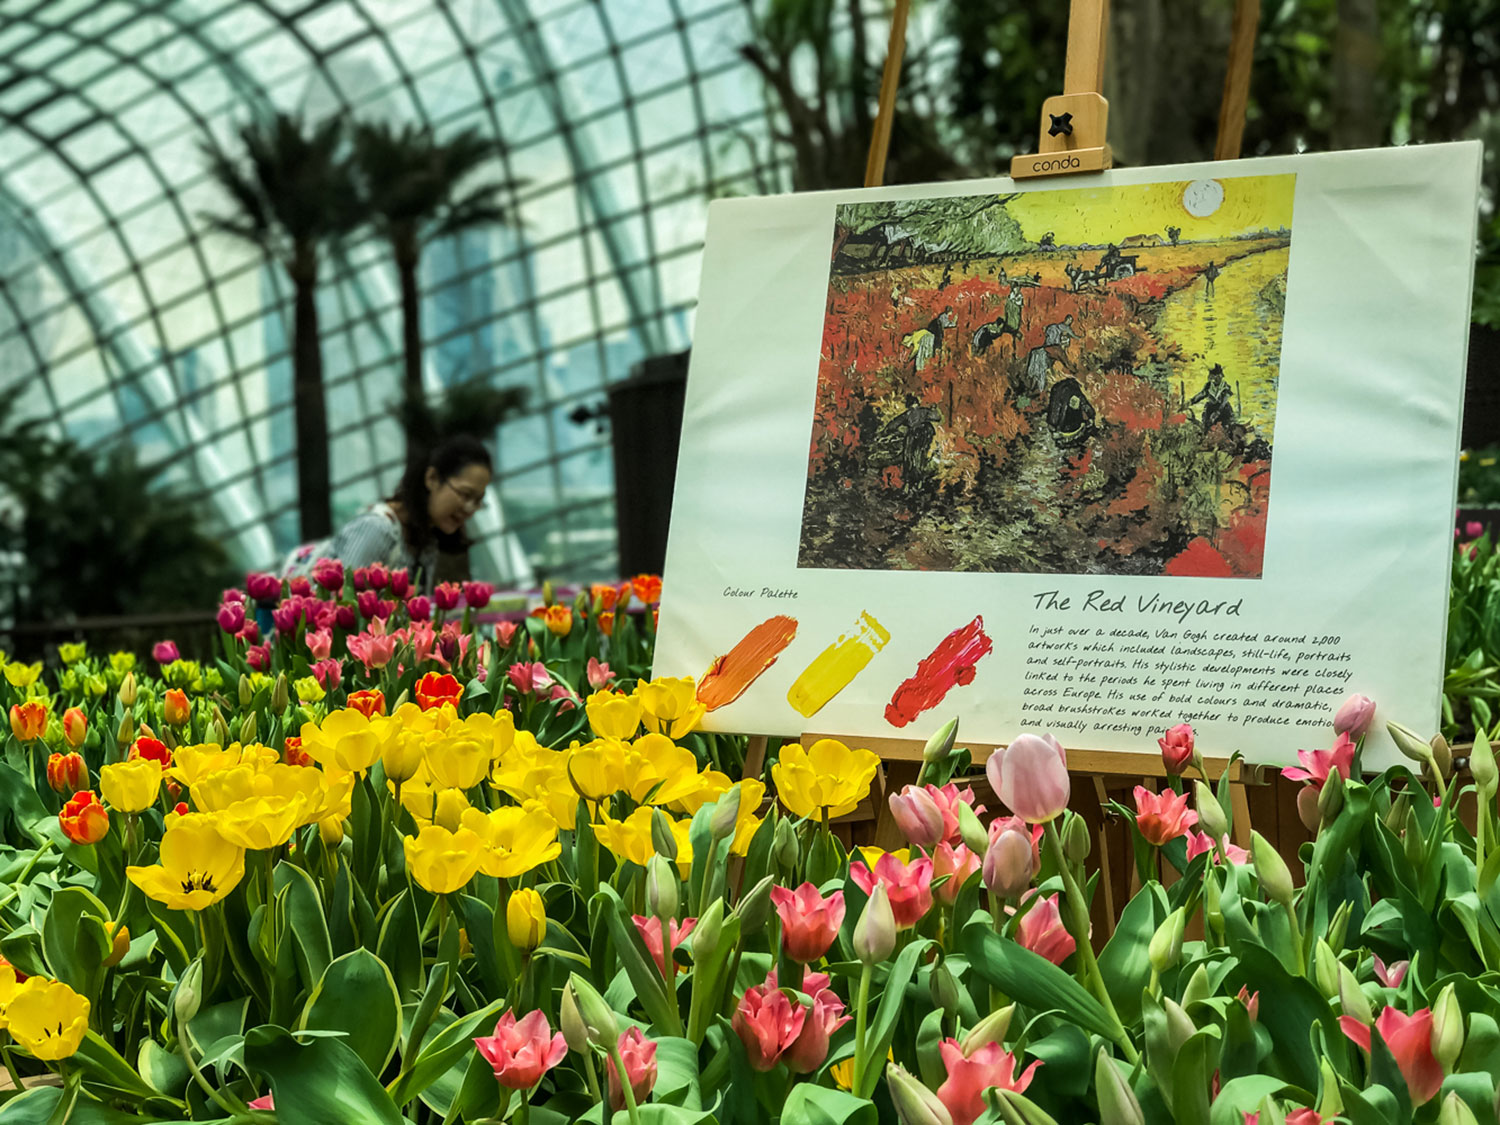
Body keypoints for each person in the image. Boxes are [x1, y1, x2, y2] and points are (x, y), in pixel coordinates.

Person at [282, 434, 493, 593]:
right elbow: (340, 604)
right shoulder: (377, 529)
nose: (469, 508)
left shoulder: (427, 543)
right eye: (465, 495)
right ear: (432, 478)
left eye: (478, 501)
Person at [1189, 363, 1235, 431]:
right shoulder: (1209, 386)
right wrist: (1191, 401)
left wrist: (1217, 413)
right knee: (1208, 429)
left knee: (1226, 429)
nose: (1216, 378)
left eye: (1218, 376)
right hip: (1210, 410)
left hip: (1223, 411)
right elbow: (1201, 394)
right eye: (1214, 376)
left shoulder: (1226, 387)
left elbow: (1224, 402)